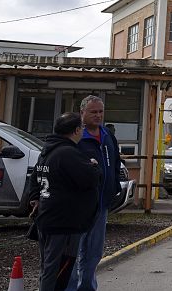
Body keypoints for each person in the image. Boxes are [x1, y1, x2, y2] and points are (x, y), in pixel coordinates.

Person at [28, 113, 101, 291]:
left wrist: (35, 197)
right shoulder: (67, 153)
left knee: (48, 267)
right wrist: (93, 166)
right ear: (76, 130)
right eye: (81, 128)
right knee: (59, 271)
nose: (83, 131)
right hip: (64, 222)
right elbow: (89, 179)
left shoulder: (47, 151)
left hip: (47, 217)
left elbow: (34, 178)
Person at [69, 95, 122, 291]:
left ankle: (87, 287)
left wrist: (114, 186)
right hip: (79, 205)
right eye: (93, 112)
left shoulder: (107, 135)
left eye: (100, 111)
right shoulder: (75, 137)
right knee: (73, 250)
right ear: (82, 113)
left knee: (94, 252)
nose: (98, 115)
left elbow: (116, 161)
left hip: (101, 205)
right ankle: (71, 287)